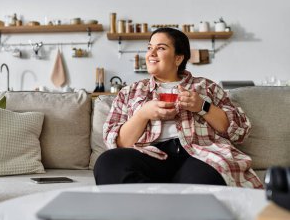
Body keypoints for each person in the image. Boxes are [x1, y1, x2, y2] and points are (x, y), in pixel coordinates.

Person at [94, 27, 263, 188]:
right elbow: (117, 143)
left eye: (160, 48)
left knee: (207, 177)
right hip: (149, 154)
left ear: (178, 58)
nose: (151, 54)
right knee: (107, 162)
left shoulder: (206, 87)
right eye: (149, 47)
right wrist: (143, 114)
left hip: (198, 154)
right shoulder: (130, 92)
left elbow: (239, 131)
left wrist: (202, 106)